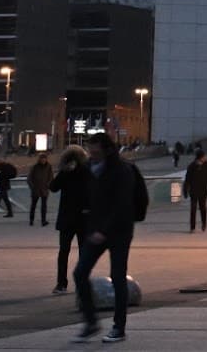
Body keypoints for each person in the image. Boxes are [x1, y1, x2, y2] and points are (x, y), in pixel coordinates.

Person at [73, 133, 144, 343]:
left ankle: (118, 328)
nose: (91, 154)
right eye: (89, 149)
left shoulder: (122, 170)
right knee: (80, 272)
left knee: (118, 276)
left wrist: (103, 230)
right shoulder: (89, 169)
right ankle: (91, 322)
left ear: (107, 149)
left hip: (120, 230)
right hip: (96, 230)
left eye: (95, 150)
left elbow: (123, 204)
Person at [51, 145, 90, 294]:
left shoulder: (66, 172)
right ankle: (82, 282)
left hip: (67, 218)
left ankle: (61, 283)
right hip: (83, 218)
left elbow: (53, 187)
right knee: (83, 252)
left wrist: (63, 172)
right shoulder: (87, 171)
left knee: (63, 252)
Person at [183, 148, 207, 232]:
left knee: (203, 208)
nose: (205, 158)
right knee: (193, 209)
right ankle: (192, 227)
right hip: (194, 191)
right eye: (204, 156)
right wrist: (185, 190)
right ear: (200, 157)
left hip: (203, 190)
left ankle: (204, 224)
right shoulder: (191, 166)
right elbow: (187, 179)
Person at [28, 154, 54, 226]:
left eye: (44, 159)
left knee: (44, 206)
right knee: (33, 205)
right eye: (42, 159)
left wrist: (48, 185)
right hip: (35, 189)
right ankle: (31, 220)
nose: (43, 160)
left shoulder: (49, 167)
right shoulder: (35, 167)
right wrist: (32, 186)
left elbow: (51, 177)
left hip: (44, 189)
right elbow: (29, 178)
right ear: (39, 159)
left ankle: (43, 220)